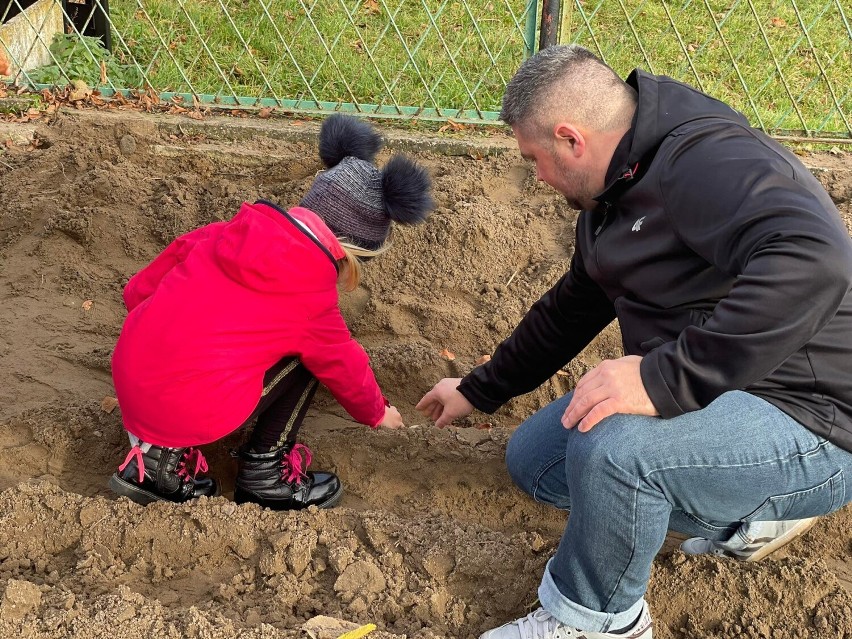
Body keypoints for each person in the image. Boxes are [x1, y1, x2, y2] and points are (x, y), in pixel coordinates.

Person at [417, 44, 852, 639]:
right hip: (730, 390)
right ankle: (746, 519)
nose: (537, 177)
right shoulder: (614, 193)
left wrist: (662, 379)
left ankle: (598, 621)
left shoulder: (706, 161)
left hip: (815, 419)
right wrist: (479, 389)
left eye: (535, 159)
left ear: (572, 139)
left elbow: (817, 260)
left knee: (617, 450)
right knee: (539, 460)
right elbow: (574, 306)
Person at [110, 114, 435, 510]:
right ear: (348, 249)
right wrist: (377, 413)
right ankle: (264, 472)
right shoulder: (310, 296)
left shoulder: (224, 231)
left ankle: (150, 455)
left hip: (130, 376)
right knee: (309, 362)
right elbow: (344, 363)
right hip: (181, 409)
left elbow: (137, 290)